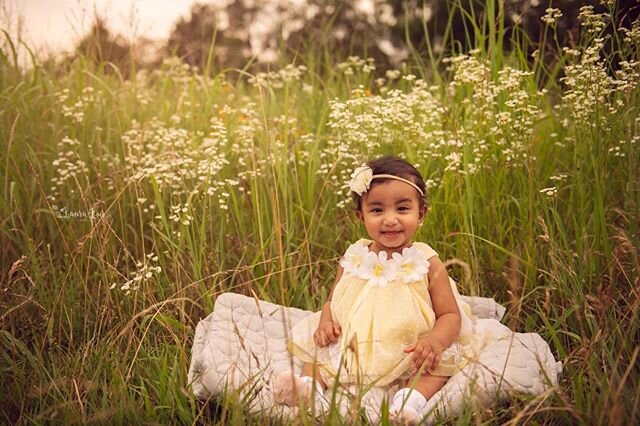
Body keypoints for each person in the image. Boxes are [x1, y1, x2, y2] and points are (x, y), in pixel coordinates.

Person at [274, 156, 479, 423]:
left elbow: (450, 315)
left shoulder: (428, 262)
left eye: (402, 209)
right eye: (377, 210)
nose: (390, 220)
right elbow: (332, 301)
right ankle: (309, 390)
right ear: (361, 216)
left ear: (421, 213)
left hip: (410, 344)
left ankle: (409, 402)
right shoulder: (354, 256)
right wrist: (326, 323)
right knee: (316, 352)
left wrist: (434, 342)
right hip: (355, 341)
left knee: (438, 364)